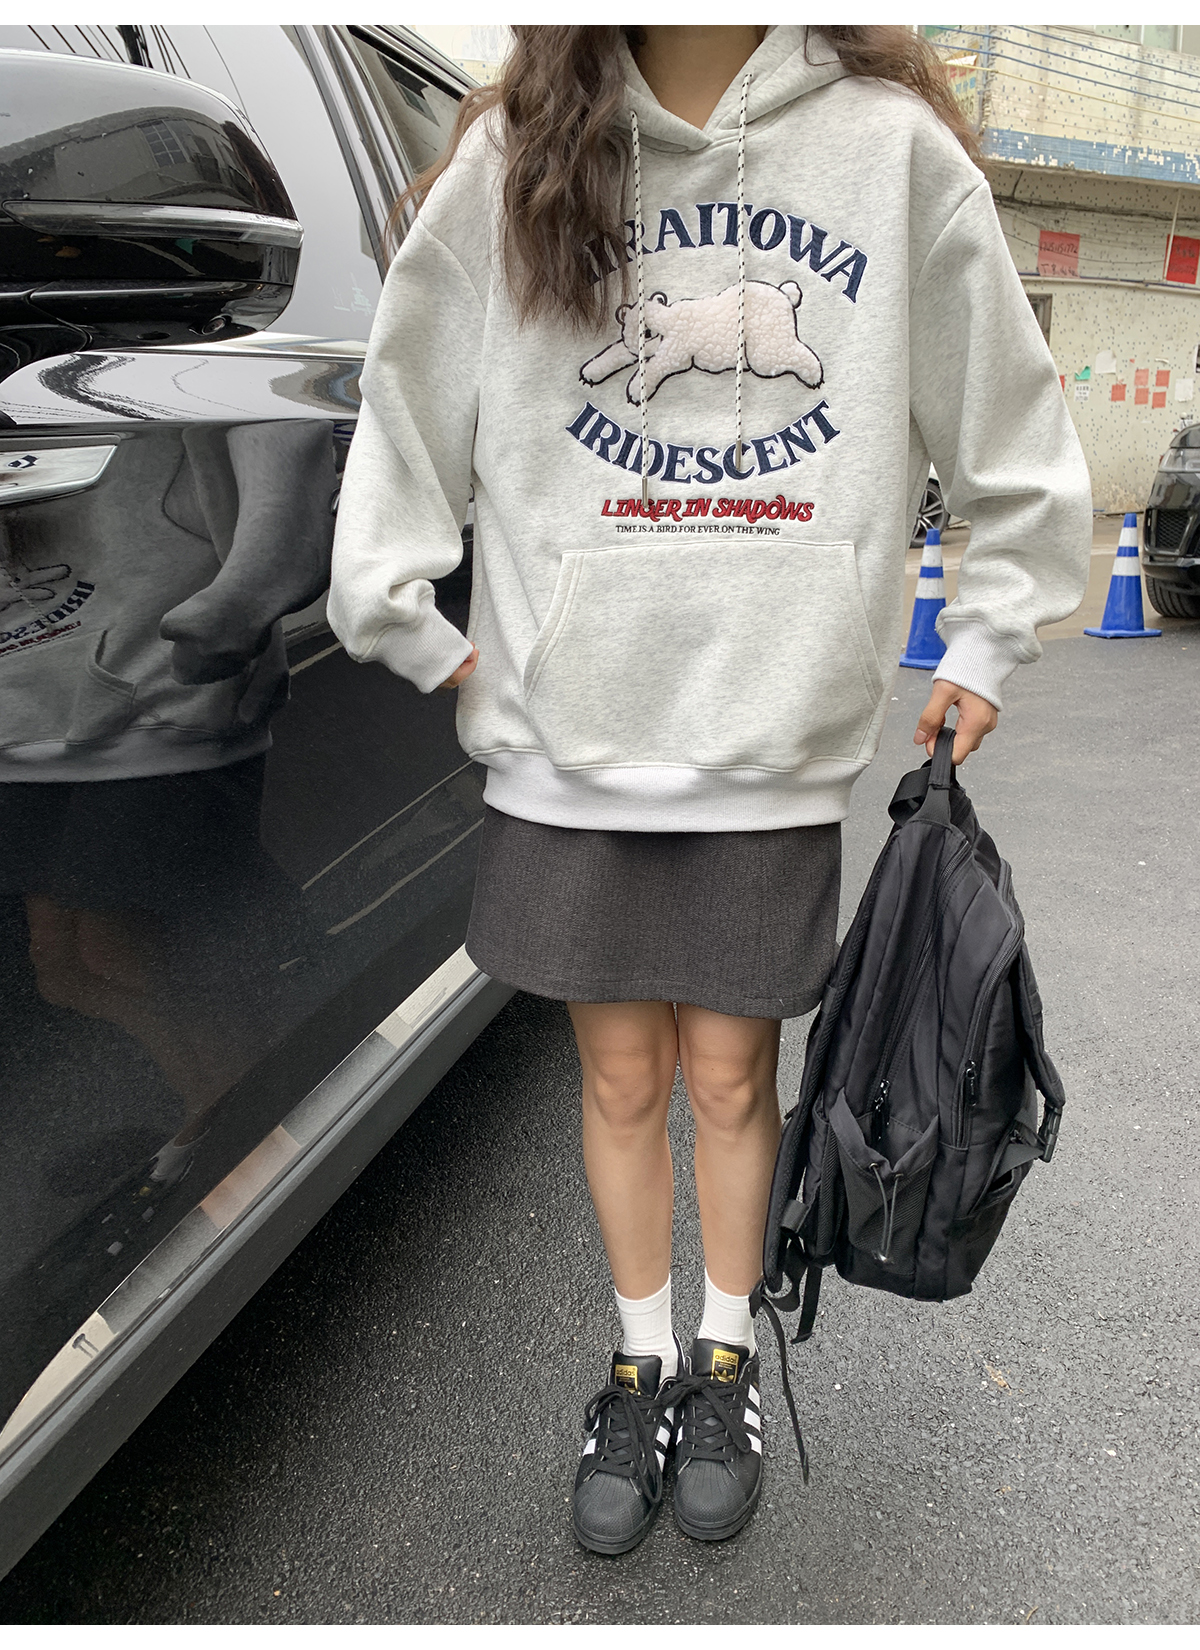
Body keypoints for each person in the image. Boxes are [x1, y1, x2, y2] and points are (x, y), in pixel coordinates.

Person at [327, 23, 1091, 1553]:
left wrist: (992, 632)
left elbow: (1008, 416)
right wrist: (412, 625)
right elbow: (409, 393)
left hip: (768, 726)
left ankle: (724, 1356)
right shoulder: (518, 151)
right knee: (620, 1078)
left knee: (736, 1078)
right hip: (570, 736)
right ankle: (639, 1360)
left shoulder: (886, 153)